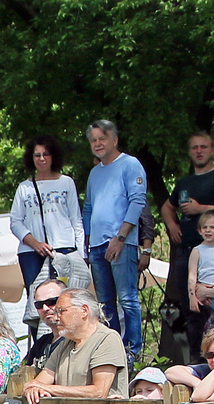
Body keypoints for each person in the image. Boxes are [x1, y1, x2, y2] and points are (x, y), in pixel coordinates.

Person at [161, 131, 214, 359]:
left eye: (203, 147)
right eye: (194, 147)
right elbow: (167, 207)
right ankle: (198, 359)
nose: (199, 151)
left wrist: (201, 209)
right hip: (187, 251)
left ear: (212, 150)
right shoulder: (184, 182)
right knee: (191, 308)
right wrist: (172, 226)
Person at [82, 120, 148, 359]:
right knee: (105, 303)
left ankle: (133, 351)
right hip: (97, 246)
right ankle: (111, 351)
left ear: (114, 140)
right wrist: (87, 242)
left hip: (121, 243)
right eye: (93, 140)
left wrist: (121, 237)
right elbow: (88, 207)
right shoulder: (94, 172)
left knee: (128, 299)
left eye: (102, 138)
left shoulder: (130, 164)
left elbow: (137, 201)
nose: (98, 144)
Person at [9, 134, 85, 294]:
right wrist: (35, 244)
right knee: (36, 298)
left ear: (53, 156)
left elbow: (76, 220)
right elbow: (15, 222)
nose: (41, 159)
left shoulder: (66, 182)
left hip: (64, 248)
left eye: (46, 154)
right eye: (37, 155)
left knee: (65, 297)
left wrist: (82, 253)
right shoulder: (24, 187)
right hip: (30, 252)